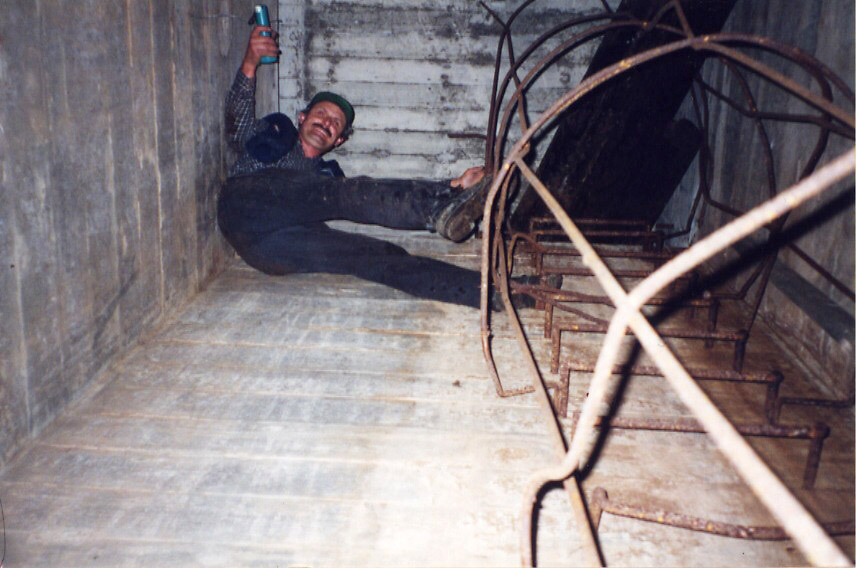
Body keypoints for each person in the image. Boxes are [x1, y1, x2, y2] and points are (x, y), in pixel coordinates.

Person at [216, 24, 514, 308]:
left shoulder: (326, 174)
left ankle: (496, 292)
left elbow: (359, 198)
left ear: (339, 141)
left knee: (376, 255)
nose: (326, 123)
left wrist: (456, 183)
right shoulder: (275, 133)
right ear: (303, 118)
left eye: (335, 124)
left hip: (272, 249)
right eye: (321, 114)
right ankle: (438, 206)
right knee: (342, 193)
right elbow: (237, 125)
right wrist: (250, 63)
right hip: (243, 208)